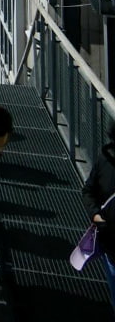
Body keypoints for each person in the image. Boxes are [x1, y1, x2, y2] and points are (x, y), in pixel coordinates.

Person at [81, 122, 115, 313]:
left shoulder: (106, 159)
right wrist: (95, 214)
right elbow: (89, 190)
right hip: (111, 246)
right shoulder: (105, 160)